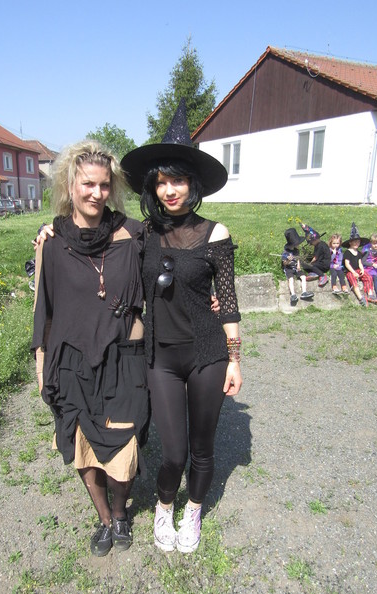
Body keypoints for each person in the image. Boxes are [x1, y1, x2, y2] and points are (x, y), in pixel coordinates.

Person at [120, 100, 242, 554]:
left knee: (202, 448)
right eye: (162, 182)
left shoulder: (215, 233)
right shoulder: (144, 233)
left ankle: (193, 510)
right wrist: (50, 230)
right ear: (153, 187)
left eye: (178, 180)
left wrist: (234, 360)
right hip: (162, 359)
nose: (170, 190)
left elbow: (228, 301)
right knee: (173, 452)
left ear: (193, 184)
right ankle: (164, 506)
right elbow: (97, 235)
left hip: (207, 354)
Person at [31, 141, 150, 557]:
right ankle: (104, 518)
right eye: (87, 184)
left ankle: (120, 512)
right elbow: (43, 311)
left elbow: (173, 265)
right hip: (71, 363)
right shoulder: (51, 241)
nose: (96, 193)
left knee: (125, 446)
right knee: (83, 450)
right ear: (70, 185)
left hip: (124, 361)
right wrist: (42, 367)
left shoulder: (133, 235)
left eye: (103, 185)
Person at [342, 223, 373, 306]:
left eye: (358, 242)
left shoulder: (358, 253)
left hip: (358, 270)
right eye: (355, 242)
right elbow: (347, 264)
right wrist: (353, 272)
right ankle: (360, 298)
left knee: (368, 277)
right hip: (350, 271)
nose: (356, 243)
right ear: (350, 243)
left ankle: (370, 294)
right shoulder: (347, 252)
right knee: (354, 282)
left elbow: (359, 262)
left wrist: (362, 269)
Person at [280, 227, 314, 304]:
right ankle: (293, 295)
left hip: (296, 268)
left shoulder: (296, 251)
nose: (299, 245)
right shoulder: (285, 252)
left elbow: (298, 258)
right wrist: (288, 260)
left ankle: (304, 292)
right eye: (298, 243)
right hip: (289, 268)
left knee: (303, 277)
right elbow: (284, 263)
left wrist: (298, 265)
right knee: (291, 279)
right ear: (294, 244)